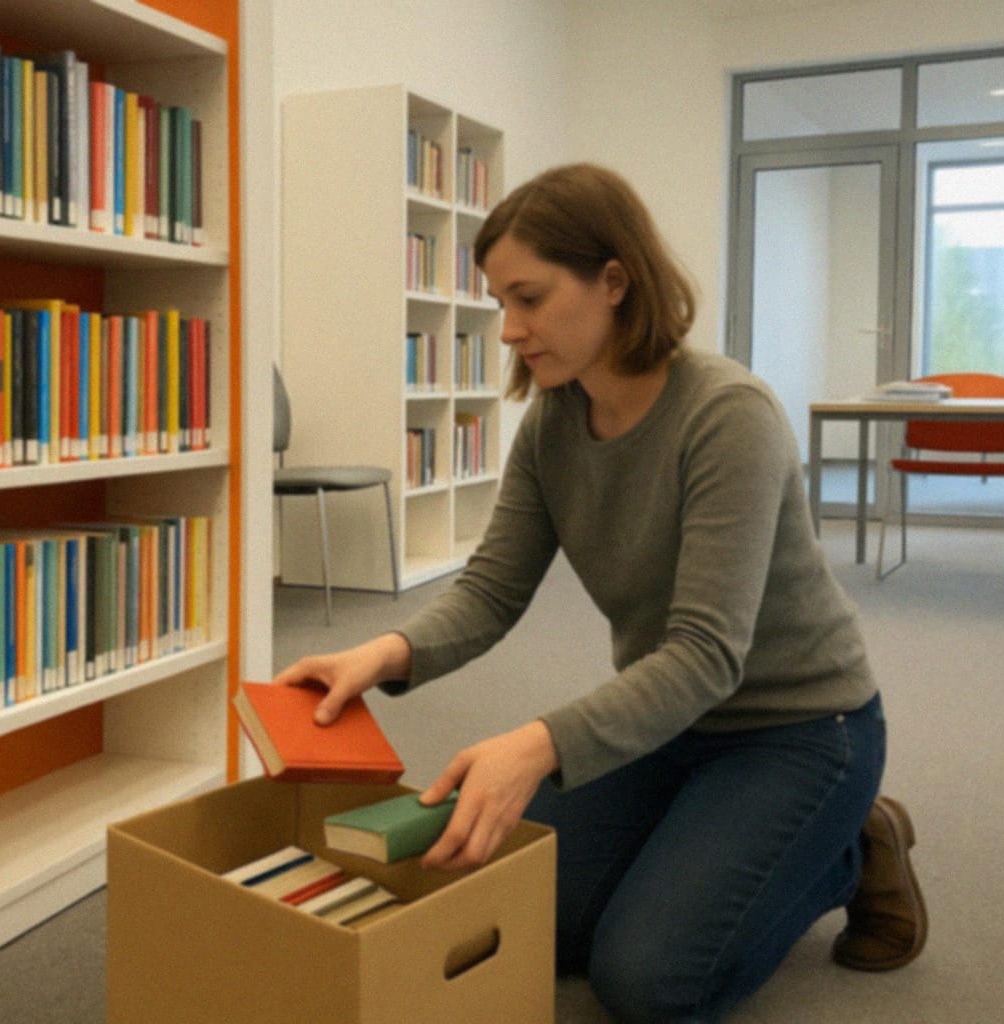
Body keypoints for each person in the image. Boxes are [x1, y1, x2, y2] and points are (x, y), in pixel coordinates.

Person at [274, 163, 926, 1023]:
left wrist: (540, 743)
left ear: (614, 281)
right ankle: (717, 841)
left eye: (530, 299)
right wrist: (384, 653)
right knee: (524, 919)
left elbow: (706, 654)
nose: (508, 329)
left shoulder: (729, 417)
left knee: (648, 981)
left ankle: (849, 846)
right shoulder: (553, 423)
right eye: (500, 303)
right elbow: (492, 591)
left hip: (801, 730)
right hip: (666, 726)